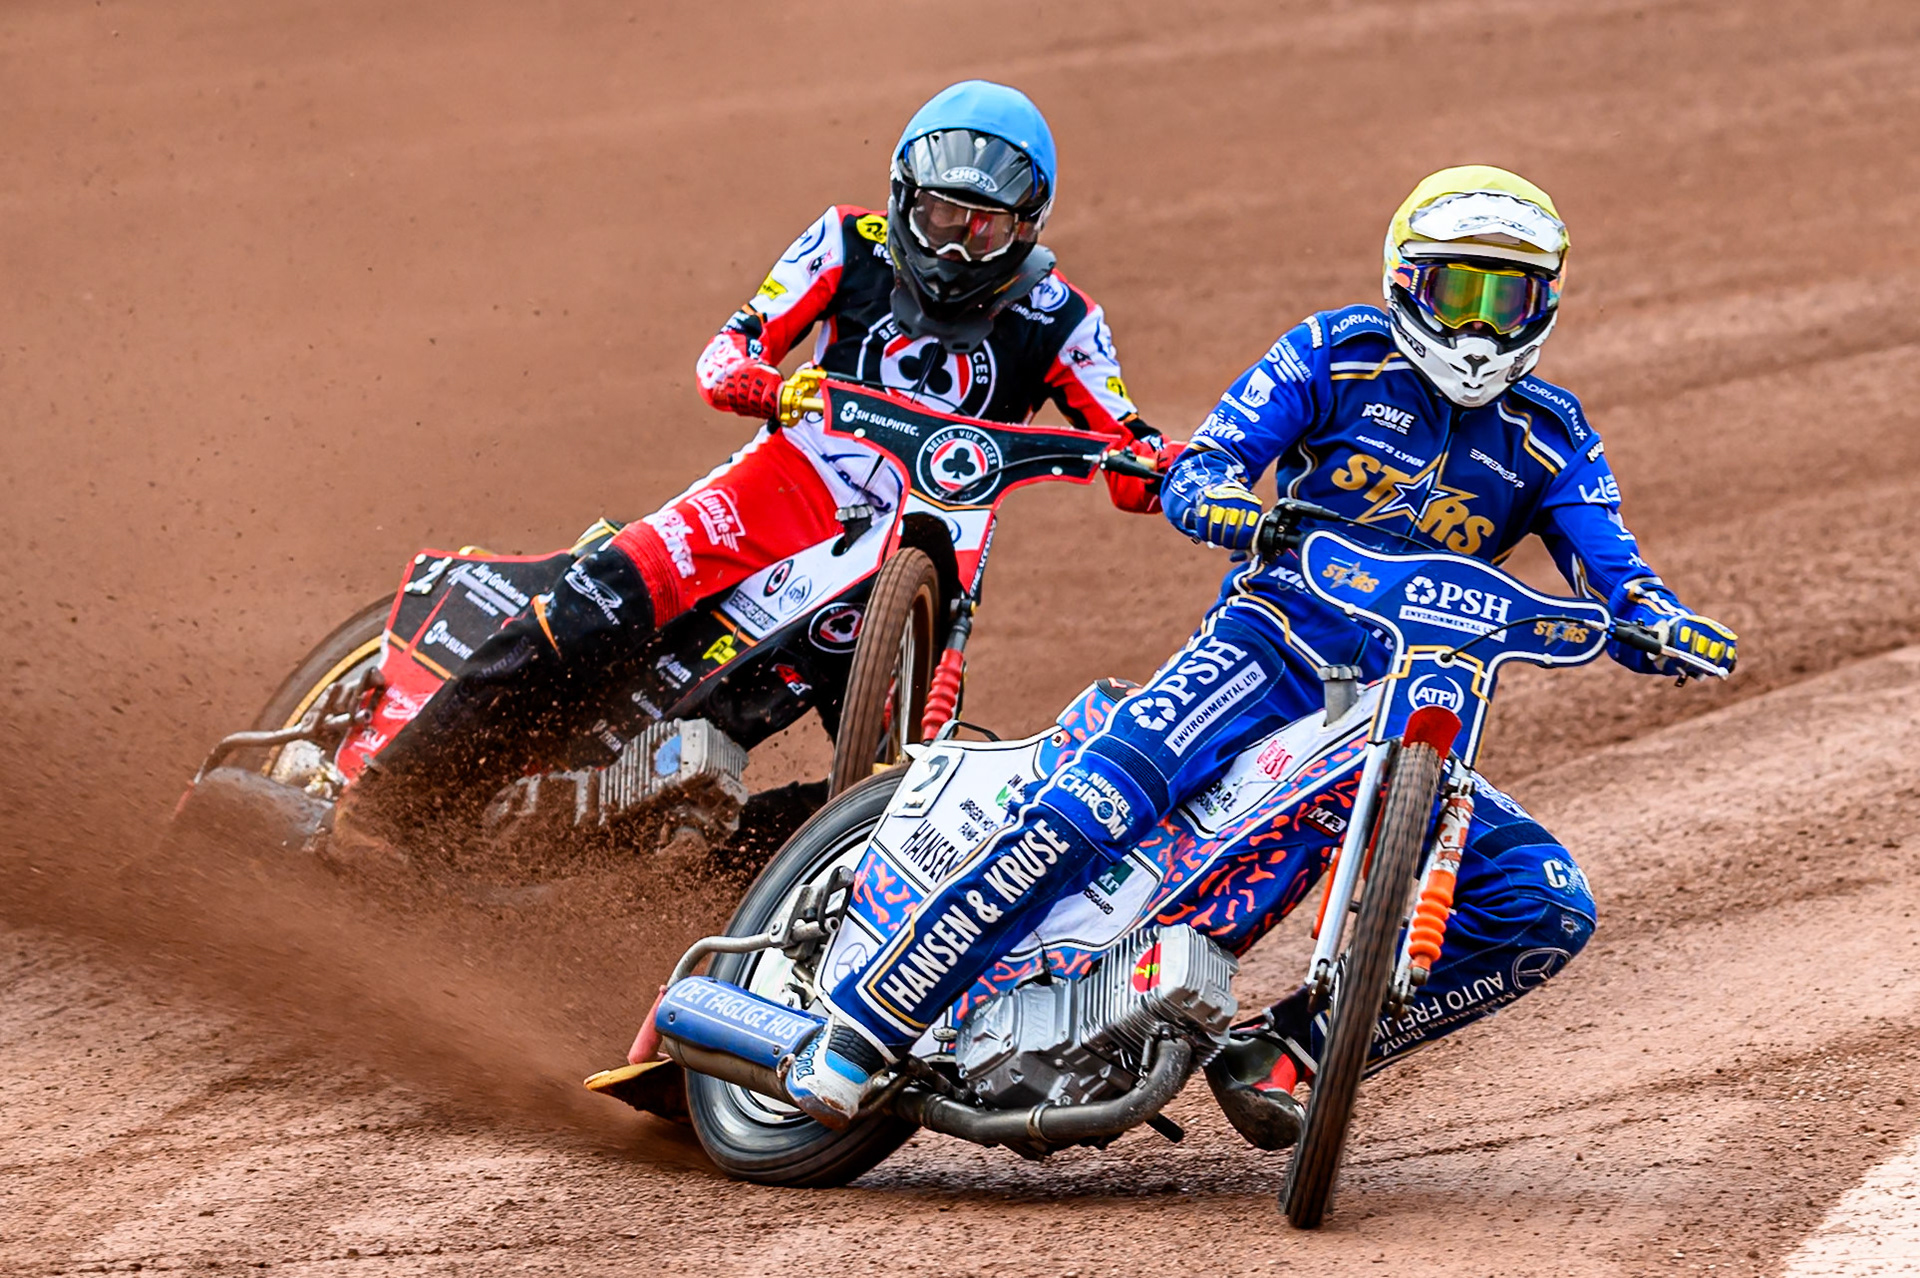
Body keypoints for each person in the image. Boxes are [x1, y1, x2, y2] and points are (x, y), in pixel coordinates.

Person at [782, 165, 1738, 1135]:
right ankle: (861, 1029)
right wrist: (1237, 509)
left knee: (1548, 903)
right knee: (1090, 807)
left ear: (1548, 304)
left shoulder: (1552, 434)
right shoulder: (1335, 351)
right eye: (1461, 291)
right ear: (1408, 283)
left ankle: (1294, 1047)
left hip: (1414, 700)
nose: (1482, 326)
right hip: (1264, 648)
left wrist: (1659, 622)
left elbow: (1614, 570)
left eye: (1510, 297)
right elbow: (1204, 468)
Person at [339, 81, 1177, 844]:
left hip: (931, 550)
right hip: (782, 487)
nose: (956, 248)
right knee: (589, 607)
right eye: (939, 220)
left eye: (982, 228)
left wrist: (1176, 470)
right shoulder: (849, 241)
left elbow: (1130, 447)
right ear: (903, 202)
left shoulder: (1064, 319)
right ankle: (382, 814)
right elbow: (726, 352)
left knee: (907, 803)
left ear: (1026, 229)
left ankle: (707, 906)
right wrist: (766, 389)